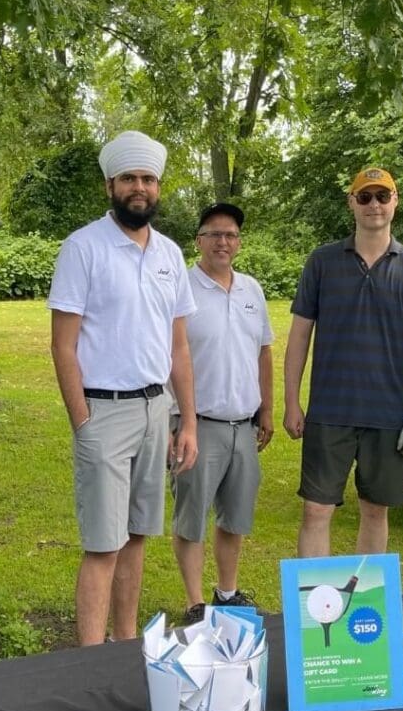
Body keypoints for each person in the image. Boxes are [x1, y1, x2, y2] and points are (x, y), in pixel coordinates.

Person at [49, 131, 198, 645]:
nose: (140, 187)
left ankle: (126, 643)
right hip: (103, 413)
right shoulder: (83, 248)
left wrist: (188, 423)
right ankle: (89, 659)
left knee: (137, 536)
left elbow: (179, 349)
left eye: (149, 179)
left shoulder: (170, 255)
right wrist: (82, 421)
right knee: (103, 545)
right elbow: (63, 345)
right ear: (111, 184)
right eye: (130, 178)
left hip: (158, 410)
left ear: (158, 187)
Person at [284, 168, 403, 556]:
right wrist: (290, 402)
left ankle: (365, 614)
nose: (374, 205)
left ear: (395, 201)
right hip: (329, 412)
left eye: (382, 197)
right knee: (316, 510)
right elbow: (299, 335)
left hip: (389, 416)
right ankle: (312, 612)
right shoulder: (322, 261)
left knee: (375, 512)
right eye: (365, 197)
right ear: (351, 202)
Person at [171, 203, 274, 624]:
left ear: (239, 243)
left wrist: (267, 407)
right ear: (198, 241)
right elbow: (170, 355)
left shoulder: (252, 290)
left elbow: (264, 350)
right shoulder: (182, 289)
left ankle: (226, 593)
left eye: (230, 235)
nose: (222, 242)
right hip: (198, 424)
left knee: (236, 517)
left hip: (243, 424)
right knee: (192, 517)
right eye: (214, 234)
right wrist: (178, 423)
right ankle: (196, 603)